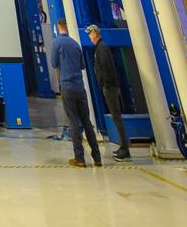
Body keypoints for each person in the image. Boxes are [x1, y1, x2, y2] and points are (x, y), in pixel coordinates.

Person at [50, 18, 101, 168]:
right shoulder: (75, 44)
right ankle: (97, 157)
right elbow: (82, 65)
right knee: (86, 122)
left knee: (73, 122)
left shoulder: (57, 43)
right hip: (80, 87)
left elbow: (54, 63)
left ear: (58, 27)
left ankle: (79, 158)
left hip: (67, 86)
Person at [87, 24, 131, 160]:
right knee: (116, 117)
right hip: (109, 87)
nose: (89, 37)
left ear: (95, 33)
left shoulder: (102, 48)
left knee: (117, 117)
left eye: (90, 34)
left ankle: (125, 149)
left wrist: (105, 84)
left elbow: (106, 68)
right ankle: (123, 146)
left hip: (110, 87)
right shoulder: (100, 48)